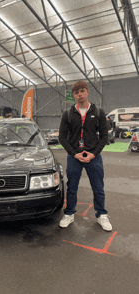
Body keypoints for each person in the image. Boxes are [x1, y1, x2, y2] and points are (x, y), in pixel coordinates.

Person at [59, 80, 112, 231]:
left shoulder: (98, 112)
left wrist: (93, 154)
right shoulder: (68, 114)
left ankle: (101, 214)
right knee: (72, 187)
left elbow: (104, 137)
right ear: (73, 96)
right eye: (76, 92)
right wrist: (75, 154)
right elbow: (62, 137)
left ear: (87, 92)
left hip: (93, 157)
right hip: (74, 157)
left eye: (82, 91)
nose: (79, 94)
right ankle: (69, 213)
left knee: (98, 187)